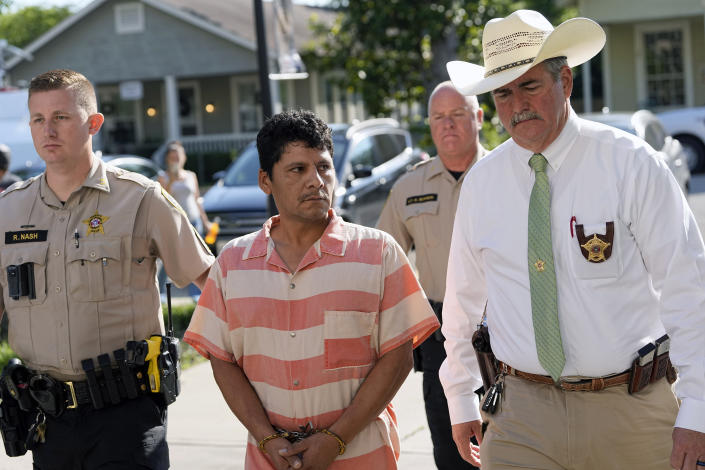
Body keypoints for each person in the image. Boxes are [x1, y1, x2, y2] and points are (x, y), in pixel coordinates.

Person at [439, 9, 705, 470]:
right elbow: (461, 303)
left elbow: (689, 289)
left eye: (530, 85)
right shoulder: (482, 184)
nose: (516, 104)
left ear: (565, 80)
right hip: (519, 416)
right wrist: (460, 396)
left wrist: (699, 410)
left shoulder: (632, 165)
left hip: (630, 409)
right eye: (502, 92)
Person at [184, 109, 439, 470]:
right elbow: (222, 360)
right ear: (265, 180)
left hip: (363, 455)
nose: (316, 181)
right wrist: (266, 437)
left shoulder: (378, 253)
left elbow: (398, 357)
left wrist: (336, 439)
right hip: (270, 460)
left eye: (323, 167)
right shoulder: (232, 262)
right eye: (297, 169)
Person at [0, 69, 214, 469]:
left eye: (61, 117)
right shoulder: (8, 212)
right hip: (48, 421)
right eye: (38, 119)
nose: (48, 129)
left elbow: (212, 285)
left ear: (93, 123)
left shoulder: (141, 200)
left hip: (126, 418)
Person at [376, 81, 485, 470]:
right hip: (441, 336)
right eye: (439, 117)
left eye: (458, 114)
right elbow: (383, 265)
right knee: (451, 448)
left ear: (479, 117)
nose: (448, 125)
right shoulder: (409, 188)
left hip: (510, 326)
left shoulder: (507, 174)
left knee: (513, 446)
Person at [157, 141, 211, 300]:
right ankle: (160, 292)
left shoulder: (191, 175)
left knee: (196, 258)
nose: (175, 159)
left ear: (184, 158)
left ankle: (197, 294)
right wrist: (172, 181)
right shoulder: (163, 177)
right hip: (175, 224)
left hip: (194, 222)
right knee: (171, 257)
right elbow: (162, 200)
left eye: (178, 156)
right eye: (172, 157)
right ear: (167, 159)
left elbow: (196, 199)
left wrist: (205, 221)